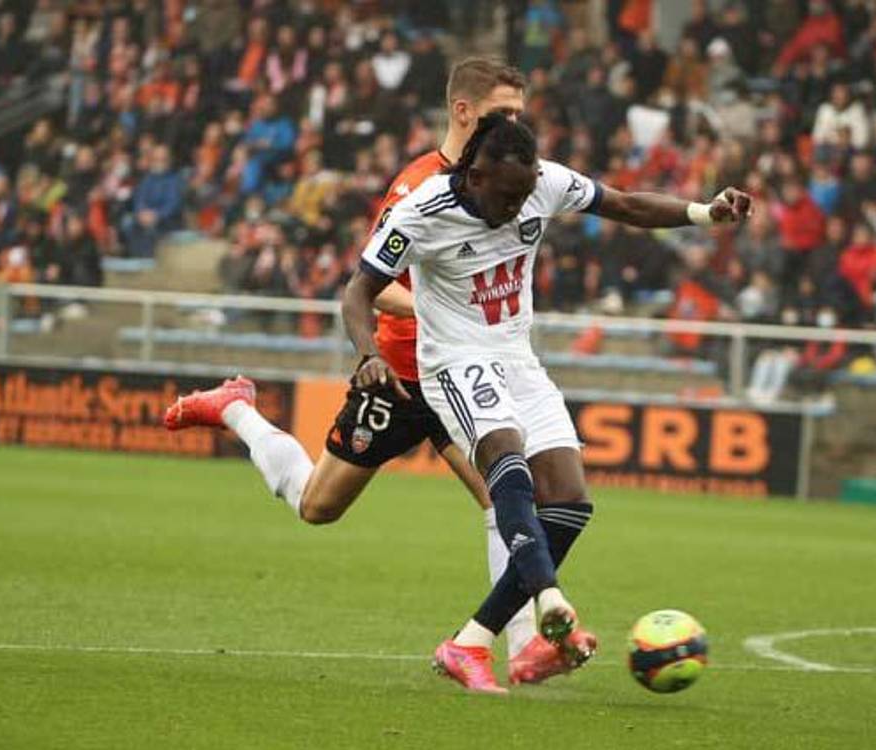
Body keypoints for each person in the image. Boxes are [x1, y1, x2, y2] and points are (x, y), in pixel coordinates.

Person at [162, 59, 557, 682]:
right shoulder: (419, 186)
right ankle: (235, 407)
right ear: (462, 113)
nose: (514, 127)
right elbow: (371, 286)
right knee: (318, 506)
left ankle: (520, 645)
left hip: (459, 375)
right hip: (404, 377)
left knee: (501, 493)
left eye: (518, 115)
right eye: (500, 115)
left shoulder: (504, 180)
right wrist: (451, 307)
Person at [349, 113, 752, 693]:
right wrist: (367, 354)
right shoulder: (421, 213)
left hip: (518, 358)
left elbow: (629, 206)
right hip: (455, 361)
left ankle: (469, 642)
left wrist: (702, 213)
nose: (519, 207)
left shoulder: (543, 183)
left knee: (570, 501)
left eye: (526, 192)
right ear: (476, 174)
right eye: (508, 194)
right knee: (507, 463)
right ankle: (549, 601)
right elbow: (358, 289)